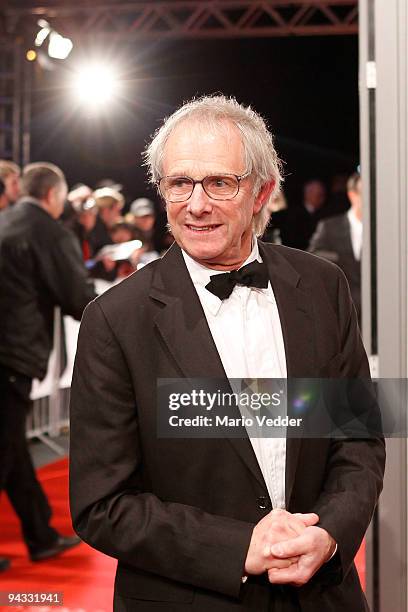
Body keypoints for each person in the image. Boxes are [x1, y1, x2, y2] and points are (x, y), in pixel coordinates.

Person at [69, 96, 385, 611]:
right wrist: (240, 548)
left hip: (324, 596)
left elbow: (357, 439)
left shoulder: (323, 286)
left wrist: (328, 535)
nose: (196, 205)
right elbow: (103, 504)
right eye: (180, 183)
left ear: (261, 191)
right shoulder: (114, 319)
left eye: (219, 183)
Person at [0, 162, 96, 566]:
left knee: (13, 449)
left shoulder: (5, 221)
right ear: (54, 195)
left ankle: (39, 534)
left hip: (8, 353)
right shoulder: (49, 231)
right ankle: (40, 535)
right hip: (13, 355)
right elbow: (78, 298)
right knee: (5, 449)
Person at [309, 172, 362, 321]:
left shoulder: (382, 230)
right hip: (342, 310)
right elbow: (313, 255)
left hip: (377, 310)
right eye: (365, 193)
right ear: (353, 195)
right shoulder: (330, 226)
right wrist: (339, 258)